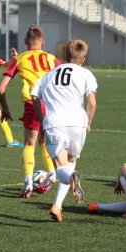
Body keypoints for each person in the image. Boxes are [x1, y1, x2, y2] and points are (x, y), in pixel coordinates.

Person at [31, 38, 98, 222]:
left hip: (55, 123)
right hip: (78, 123)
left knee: (62, 168)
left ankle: (71, 177)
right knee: (70, 163)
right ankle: (57, 206)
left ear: (65, 56)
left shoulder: (47, 75)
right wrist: (88, 122)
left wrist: (41, 120)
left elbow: (34, 96)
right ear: (83, 59)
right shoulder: (86, 74)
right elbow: (92, 102)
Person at [0, 25, 61, 199]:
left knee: (29, 144)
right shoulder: (51, 58)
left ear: (25, 41)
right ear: (43, 42)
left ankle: (27, 183)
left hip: (31, 103)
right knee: (45, 141)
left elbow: (0, 88)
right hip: (51, 104)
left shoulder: (20, 59)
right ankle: (52, 174)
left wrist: (5, 108)